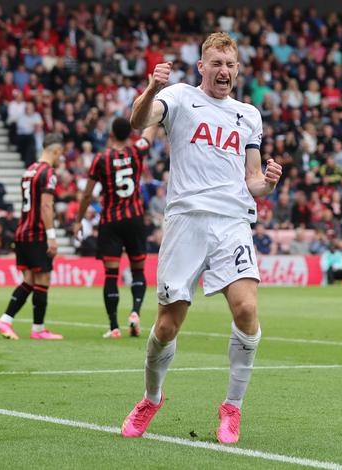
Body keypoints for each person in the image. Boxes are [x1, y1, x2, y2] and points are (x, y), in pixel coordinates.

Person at [121, 32, 282, 444]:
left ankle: (232, 407)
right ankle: (151, 398)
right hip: (186, 220)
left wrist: (266, 184)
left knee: (246, 309)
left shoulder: (249, 115)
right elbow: (139, 121)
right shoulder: (177, 97)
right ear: (202, 66)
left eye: (229, 64)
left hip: (233, 221)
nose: (223, 70)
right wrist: (152, 87)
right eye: (216, 63)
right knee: (167, 325)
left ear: (237, 69)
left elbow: (252, 182)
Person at [73, 118, 157, 339]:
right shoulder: (137, 151)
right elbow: (149, 134)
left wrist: (78, 220)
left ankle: (114, 327)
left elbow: (87, 194)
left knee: (111, 275)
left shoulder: (101, 158)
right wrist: (158, 104)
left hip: (111, 220)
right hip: (135, 218)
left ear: (111, 134)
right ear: (130, 134)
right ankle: (135, 312)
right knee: (138, 270)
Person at [0, 133, 65, 341]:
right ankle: (38, 329)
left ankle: (6, 320)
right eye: (61, 154)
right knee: (42, 280)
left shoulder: (29, 171)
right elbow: (45, 205)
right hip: (36, 233)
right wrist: (51, 236)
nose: (61, 159)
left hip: (22, 232)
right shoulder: (48, 172)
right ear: (56, 151)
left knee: (29, 281)